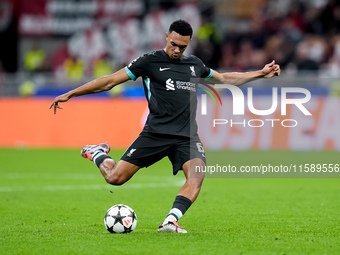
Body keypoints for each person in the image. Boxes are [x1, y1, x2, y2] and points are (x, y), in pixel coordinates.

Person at [49, 19, 280, 233]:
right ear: (166, 36)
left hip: (186, 136)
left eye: (183, 46)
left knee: (197, 176)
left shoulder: (194, 65)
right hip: (156, 133)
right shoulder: (149, 61)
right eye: (174, 44)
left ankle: (170, 220)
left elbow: (224, 79)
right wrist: (72, 93)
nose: (177, 50)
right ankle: (97, 152)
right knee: (115, 178)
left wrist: (260, 73)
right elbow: (109, 81)